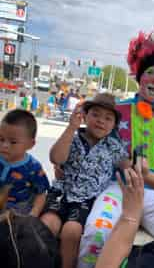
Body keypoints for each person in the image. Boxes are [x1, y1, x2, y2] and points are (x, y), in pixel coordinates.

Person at [79, 27, 154, 267]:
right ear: (140, 78)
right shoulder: (116, 110)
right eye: (151, 72)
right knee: (95, 233)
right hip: (118, 189)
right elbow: (89, 139)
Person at [40, 93, 129, 268]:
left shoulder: (113, 147)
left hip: (85, 200)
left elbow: (128, 165)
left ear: (114, 126)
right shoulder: (72, 138)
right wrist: (71, 127)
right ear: (85, 116)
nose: (101, 121)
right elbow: (56, 158)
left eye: (108, 118)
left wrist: (139, 163)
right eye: (95, 114)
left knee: (72, 231)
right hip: (61, 193)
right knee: (47, 224)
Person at [0, 109, 50, 216]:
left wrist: (33, 214)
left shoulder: (33, 167)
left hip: (16, 213)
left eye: (13, 142)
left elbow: (41, 194)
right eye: (1, 139)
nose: (5, 145)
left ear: (30, 144)